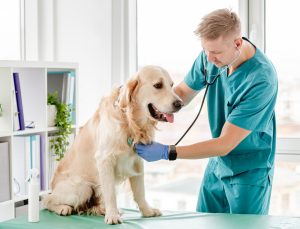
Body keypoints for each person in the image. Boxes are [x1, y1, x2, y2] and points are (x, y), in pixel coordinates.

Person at [135, 8, 278, 215]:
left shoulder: (261, 79)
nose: (209, 59)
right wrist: (155, 109)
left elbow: (224, 144)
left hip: (249, 172)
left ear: (237, 43)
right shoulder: (210, 57)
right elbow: (182, 92)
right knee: (204, 222)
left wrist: (168, 152)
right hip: (217, 165)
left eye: (216, 53)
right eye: (205, 50)